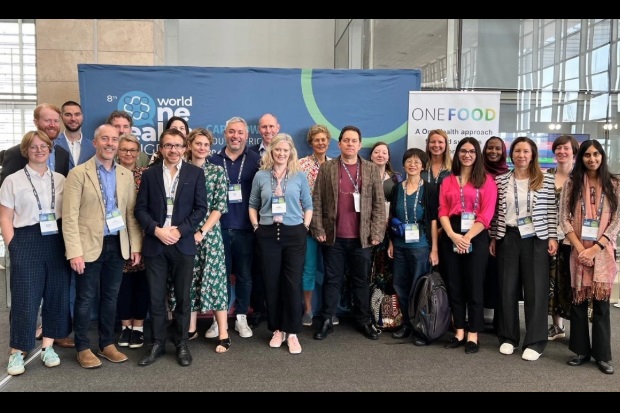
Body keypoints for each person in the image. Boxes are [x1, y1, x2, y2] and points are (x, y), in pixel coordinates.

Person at [62, 123, 143, 369]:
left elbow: (130, 214)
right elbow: (69, 216)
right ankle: (83, 347)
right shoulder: (78, 173)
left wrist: (136, 246)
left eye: (114, 140)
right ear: (95, 143)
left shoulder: (125, 175)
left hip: (117, 244)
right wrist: (74, 251)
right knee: (85, 298)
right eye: (104, 139)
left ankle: (107, 343)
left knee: (110, 297)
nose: (110, 144)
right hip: (87, 246)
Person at [0, 103, 73, 349]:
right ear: (26, 150)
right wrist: (14, 246)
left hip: (56, 240)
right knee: (25, 298)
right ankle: (18, 349)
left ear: (50, 150)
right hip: (26, 239)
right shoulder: (13, 179)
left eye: (44, 147)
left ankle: (49, 346)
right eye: (34, 147)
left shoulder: (61, 178)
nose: (39, 150)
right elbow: (5, 217)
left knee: (56, 296)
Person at [134, 128, 208, 367]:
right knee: (156, 299)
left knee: (183, 299)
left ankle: (182, 343)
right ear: (161, 148)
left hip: (182, 244)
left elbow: (200, 209)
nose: (173, 150)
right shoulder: (150, 174)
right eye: (168, 145)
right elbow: (140, 210)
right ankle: (157, 343)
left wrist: (179, 231)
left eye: (177, 145)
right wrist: (156, 230)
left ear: (184, 148)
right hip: (156, 244)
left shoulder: (195, 174)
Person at [311, 125, 386, 341]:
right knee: (332, 280)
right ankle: (326, 319)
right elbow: (317, 200)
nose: (350, 144)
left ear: (360, 145)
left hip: (362, 238)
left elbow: (379, 205)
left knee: (360, 281)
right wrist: (318, 227)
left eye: (354, 141)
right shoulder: (328, 168)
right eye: (346, 140)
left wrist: (377, 232)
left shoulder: (371, 169)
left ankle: (363, 320)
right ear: (339, 144)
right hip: (333, 236)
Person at [490, 136, 558, 361]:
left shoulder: (546, 180)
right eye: (517, 151)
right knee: (506, 289)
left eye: (526, 151)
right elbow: (497, 213)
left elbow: (551, 211)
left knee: (535, 291)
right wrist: (493, 238)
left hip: (536, 239)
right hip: (508, 237)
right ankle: (508, 337)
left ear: (533, 155)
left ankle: (536, 341)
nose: (521, 155)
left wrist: (552, 237)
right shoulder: (501, 180)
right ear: (511, 155)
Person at [560, 139, 620, 375]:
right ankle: (581, 351)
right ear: (581, 158)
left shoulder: (614, 184)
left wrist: (596, 248)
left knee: (602, 304)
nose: (592, 159)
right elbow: (563, 218)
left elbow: (617, 221)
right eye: (587, 155)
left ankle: (602, 356)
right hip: (577, 250)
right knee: (578, 301)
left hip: (603, 252)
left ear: (602, 156)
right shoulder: (572, 183)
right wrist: (579, 247)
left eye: (596, 154)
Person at [249, 133, 313, 354]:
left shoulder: (299, 175)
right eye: (278, 150)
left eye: (286, 150)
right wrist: (257, 227)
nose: (281, 154)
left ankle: (292, 332)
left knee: (292, 283)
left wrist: (304, 227)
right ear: (271, 151)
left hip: (294, 233)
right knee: (272, 283)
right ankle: (277, 329)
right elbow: (253, 204)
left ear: (291, 152)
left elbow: (308, 204)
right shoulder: (260, 175)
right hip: (267, 234)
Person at [439, 137, 497, 354]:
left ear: (477, 154)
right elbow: (442, 210)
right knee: (454, 284)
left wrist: (467, 237)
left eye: (472, 151)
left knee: (474, 284)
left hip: (477, 234)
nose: (467, 155)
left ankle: (473, 332)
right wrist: (453, 235)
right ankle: (459, 330)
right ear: (458, 154)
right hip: (451, 232)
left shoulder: (486, 180)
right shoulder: (448, 180)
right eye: (463, 151)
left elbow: (487, 213)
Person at [209, 117, 261, 340]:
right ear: (225, 134)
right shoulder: (213, 160)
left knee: (245, 275)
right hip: (217, 228)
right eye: (232, 132)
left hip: (245, 229)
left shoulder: (256, 160)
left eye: (240, 132)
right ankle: (216, 320)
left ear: (246, 136)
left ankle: (241, 316)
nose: (236, 136)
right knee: (219, 277)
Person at [181, 128, 230, 353]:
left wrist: (202, 232)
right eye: (198, 143)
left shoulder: (217, 172)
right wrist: (187, 231)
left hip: (210, 236)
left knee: (215, 281)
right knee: (188, 279)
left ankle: (223, 332)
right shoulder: (181, 170)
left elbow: (219, 206)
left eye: (206, 145)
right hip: (185, 234)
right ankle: (190, 328)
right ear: (189, 145)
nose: (202, 148)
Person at [387, 148, 439, 345]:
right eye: (409, 161)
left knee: (419, 288)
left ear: (423, 166)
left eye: (417, 162)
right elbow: (392, 217)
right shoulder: (396, 188)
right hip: (400, 245)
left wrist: (434, 249)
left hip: (421, 245)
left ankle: (421, 328)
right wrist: (391, 241)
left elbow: (433, 221)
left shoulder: (430, 189)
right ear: (404, 164)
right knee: (400, 285)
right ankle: (407, 325)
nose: (413, 164)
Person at [115, 133, 149, 350]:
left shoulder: (146, 175)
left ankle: (138, 327)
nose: (128, 153)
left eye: (132, 150)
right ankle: (125, 326)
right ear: (118, 151)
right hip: (117, 235)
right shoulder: (109, 173)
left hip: (144, 236)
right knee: (122, 285)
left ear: (138, 153)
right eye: (124, 149)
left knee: (142, 284)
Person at [248, 113, 280, 328]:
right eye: (263, 127)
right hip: (259, 220)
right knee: (259, 269)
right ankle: (259, 309)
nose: (268, 130)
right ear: (259, 130)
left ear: (277, 127)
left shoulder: (288, 153)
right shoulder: (251, 155)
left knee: (283, 269)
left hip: (286, 223)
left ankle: (279, 311)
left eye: (271, 126)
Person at [547, 135, 579, 341]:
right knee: (552, 281)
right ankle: (556, 326)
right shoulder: (546, 175)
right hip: (550, 237)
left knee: (572, 281)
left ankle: (577, 328)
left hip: (574, 239)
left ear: (574, 151)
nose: (561, 152)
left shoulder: (580, 178)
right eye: (558, 148)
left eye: (566, 148)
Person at [298, 125, 331, 326]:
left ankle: (329, 310)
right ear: (311, 142)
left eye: (323, 139)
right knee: (308, 268)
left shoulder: (336, 164)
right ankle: (308, 310)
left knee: (331, 270)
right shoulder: (301, 165)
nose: (320, 143)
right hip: (307, 225)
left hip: (331, 227)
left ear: (329, 142)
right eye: (316, 140)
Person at [368, 141, 403, 325]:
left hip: (388, 232)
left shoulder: (396, 179)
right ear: (371, 155)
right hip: (367, 231)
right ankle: (366, 311)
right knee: (367, 271)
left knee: (385, 273)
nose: (380, 155)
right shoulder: (362, 175)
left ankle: (383, 314)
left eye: (384, 152)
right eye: (377, 152)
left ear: (388, 157)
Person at [481, 136, 509, 332]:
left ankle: (502, 321)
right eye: (490, 148)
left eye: (497, 149)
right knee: (482, 274)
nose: (493, 151)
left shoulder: (508, 173)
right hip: (480, 230)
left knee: (502, 277)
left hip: (502, 232)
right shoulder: (478, 173)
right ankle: (478, 317)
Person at [55, 101, 96, 170]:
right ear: (61, 117)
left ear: (82, 116)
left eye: (77, 114)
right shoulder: (53, 144)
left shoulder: (92, 147)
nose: (73, 119)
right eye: (68, 115)